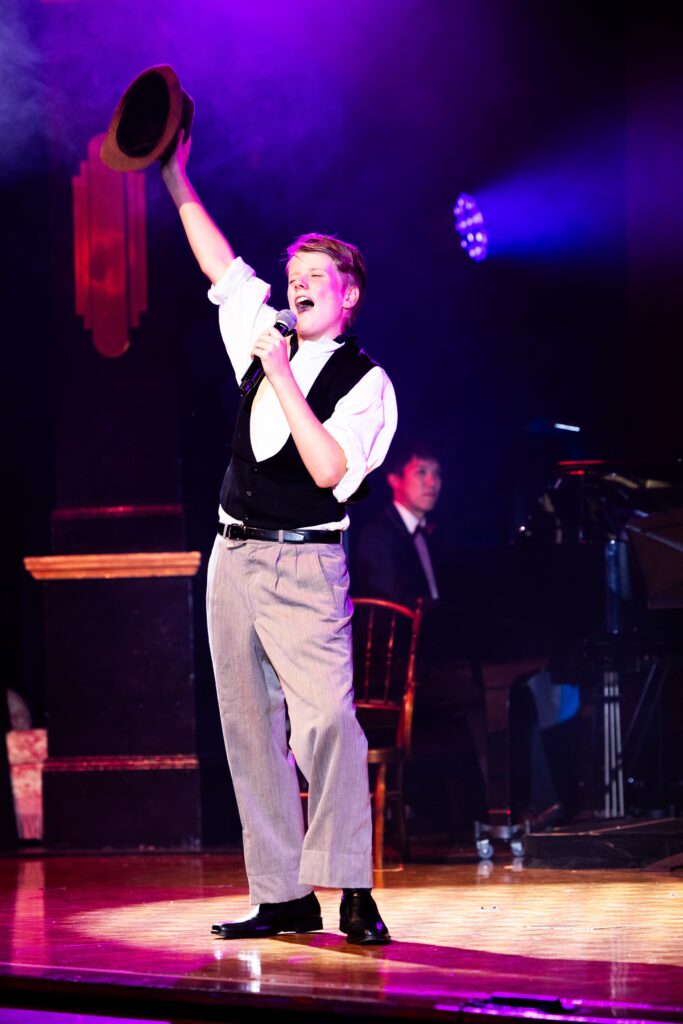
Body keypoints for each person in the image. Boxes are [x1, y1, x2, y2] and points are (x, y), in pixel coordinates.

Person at [161, 133, 397, 944]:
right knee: (248, 729)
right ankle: (283, 895)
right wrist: (175, 175)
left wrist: (283, 374)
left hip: (305, 562)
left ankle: (352, 886)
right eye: (292, 277)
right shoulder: (265, 338)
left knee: (325, 722)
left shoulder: (365, 382)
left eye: (314, 278)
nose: (296, 287)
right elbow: (220, 266)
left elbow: (330, 469)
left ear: (349, 294)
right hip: (232, 557)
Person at [354, 439, 488, 838]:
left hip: (427, 661)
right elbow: (397, 610)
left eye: (437, 474)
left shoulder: (430, 536)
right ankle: (483, 814)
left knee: (489, 691)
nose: (433, 482)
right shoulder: (379, 537)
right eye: (421, 472)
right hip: (390, 672)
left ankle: (469, 816)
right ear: (395, 479)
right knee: (474, 694)